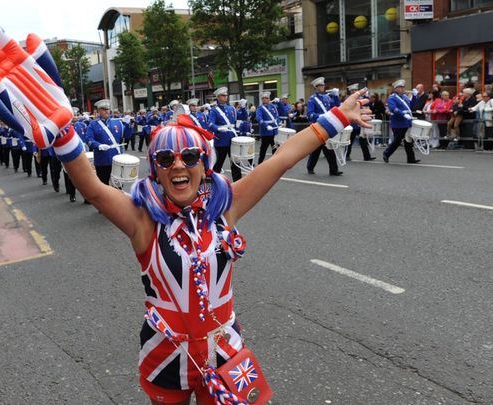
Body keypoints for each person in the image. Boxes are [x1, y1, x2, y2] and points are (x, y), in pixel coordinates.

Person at [48, 87, 372, 405]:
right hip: (165, 353)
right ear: (155, 170)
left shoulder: (226, 207)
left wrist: (338, 116)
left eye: (189, 157)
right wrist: (64, 135)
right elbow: (93, 189)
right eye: (165, 158)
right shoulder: (143, 221)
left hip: (224, 349)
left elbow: (282, 159)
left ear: (204, 164)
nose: (178, 165)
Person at [85, 99, 132, 185]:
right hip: (102, 160)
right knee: (103, 185)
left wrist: (128, 125)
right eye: (104, 109)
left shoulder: (117, 122)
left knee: (118, 186)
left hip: (117, 159)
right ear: (99, 111)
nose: (107, 111)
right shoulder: (93, 124)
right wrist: (98, 145)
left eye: (108, 109)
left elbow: (127, 136)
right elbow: (88, 139)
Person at [306, 77, 341, 175]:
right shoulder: (312, 99)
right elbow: (310, 114)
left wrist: (336, 96)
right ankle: (310, 167)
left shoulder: (327, 97)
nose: (323, 87)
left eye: (323, 85)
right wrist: (322, 116)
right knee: (317, 150)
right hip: (318, 126)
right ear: (316, 87)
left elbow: (336, 108)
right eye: (320, 85)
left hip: (327, 127)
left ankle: (334, 170)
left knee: (329, 148)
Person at [208, 87, 242, 182]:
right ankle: (215, 182)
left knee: (235, 163)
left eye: (226, 95)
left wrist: (243, 108)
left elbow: (242, 117)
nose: (225, 97)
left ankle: (237, 182)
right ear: (218, 97)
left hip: (232, 139)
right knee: (218, 164)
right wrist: (218, 128)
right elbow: (210, 124)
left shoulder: (231, 108)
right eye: (223, 95)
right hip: (221, 140)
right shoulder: (214, 110)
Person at [383, 79, 420, 164]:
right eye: (400, 87)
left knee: (408, 140)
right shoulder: (392, 98)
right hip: (398, 123)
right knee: (397, 141)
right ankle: (386, 153)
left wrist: (414, 96)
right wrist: (403, 114)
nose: (402, 89)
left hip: (406, 122)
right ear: (396, 88)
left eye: (403, 87)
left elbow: (411, 105)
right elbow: (393, 108)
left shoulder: (404, 97)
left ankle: (411, 159)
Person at [345, 84, 374, 161]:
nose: (355, 91)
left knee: (363, 139)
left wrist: (367, 96)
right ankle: (346, 155)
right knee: (350, 140)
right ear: (351, 91)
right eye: (353, 90)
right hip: (353, 123)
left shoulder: (359, 98)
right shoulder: (349, 99)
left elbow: (367, 103)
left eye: (356, 90)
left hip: (359, 122)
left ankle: (367, 156)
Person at [255, 91, 280, 164]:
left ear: (269, 99)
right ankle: (260, 163)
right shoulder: (260, 108)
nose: (264, 99)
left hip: (274, 131)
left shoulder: (273, 107)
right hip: (265, 132)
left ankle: (274, 163)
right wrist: (266, 126)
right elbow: (259, 118)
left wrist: (279, 122)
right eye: (263, 98)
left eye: (266, 98)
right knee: (263, 149)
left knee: (275, 148)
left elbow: (277, 117)